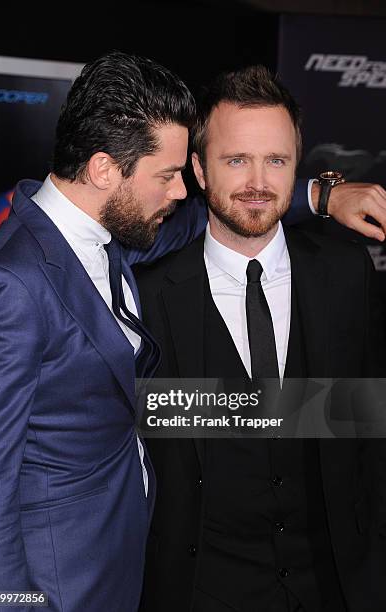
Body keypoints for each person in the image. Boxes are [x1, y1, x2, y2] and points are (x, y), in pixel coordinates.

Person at [0, 50, 384, 612]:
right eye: (169, 176)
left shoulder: (115, 237)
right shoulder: (19, 281)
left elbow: (364, 427)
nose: (177, 195)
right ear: (104, 169)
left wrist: (319, 194)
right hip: (87, 581)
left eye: (277, 160)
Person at [136, 66, 386, 612]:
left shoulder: (346, 273)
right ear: (199, 169)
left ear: (298, 167)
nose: (257, 182)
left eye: (276, 160)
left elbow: (368, 432)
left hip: (336, 587)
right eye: (235, 160)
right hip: (200, 590)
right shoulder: (150, 294)